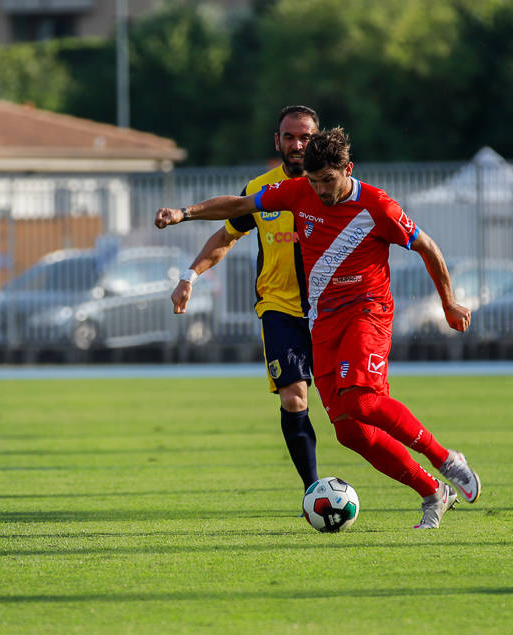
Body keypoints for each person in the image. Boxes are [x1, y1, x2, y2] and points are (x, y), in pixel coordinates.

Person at [156, 128, 481, 529]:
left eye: (328, 180)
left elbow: (427, 246)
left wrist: (448, 301)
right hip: (322, 319)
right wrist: (183, 213)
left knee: (361, 401)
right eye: (313, 182)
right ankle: (432, 491)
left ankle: (446, 459)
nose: (321, 190)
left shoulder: (378, 205)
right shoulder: (297, 194)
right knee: (349, 432)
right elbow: (239, 206)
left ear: (348, 169)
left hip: (368, 311)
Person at [171, 105, 320, 491]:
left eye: (305, 137)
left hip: (331, 309)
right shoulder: (260, 190)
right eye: (289, 137)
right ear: (277, 141)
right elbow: (225, 236)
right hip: (280, 308)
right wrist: (190, 276)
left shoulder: (333, 187)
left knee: (352, 411)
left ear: (318, 141)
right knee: (294, 401)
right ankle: (314, 492)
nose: (297, 144)